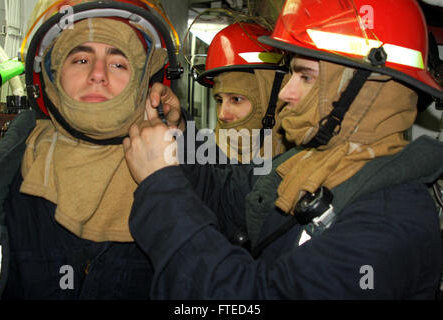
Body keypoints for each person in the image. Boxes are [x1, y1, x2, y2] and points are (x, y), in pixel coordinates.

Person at [124, 0, 443, 299]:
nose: (286, 93)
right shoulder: (305, 165)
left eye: (305, 76)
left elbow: (250, 298)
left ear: (367, 89)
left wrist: (161, 187)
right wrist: (176, 137)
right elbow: (227, 201)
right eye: (291, 73)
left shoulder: (390, 227)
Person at [0, 0, 182, 299]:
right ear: (51, 75)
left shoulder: (180, 178)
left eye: (118, 63)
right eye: (81, 59)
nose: (98, 74)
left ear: (147, 81)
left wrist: (182, 143)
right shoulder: (7, 179)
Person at [192, 20, 292, 162]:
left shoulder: (303, 166)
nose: (222, 115)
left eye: (236, 99)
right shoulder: (205, 163)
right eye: (219, 100)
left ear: (272, 97)